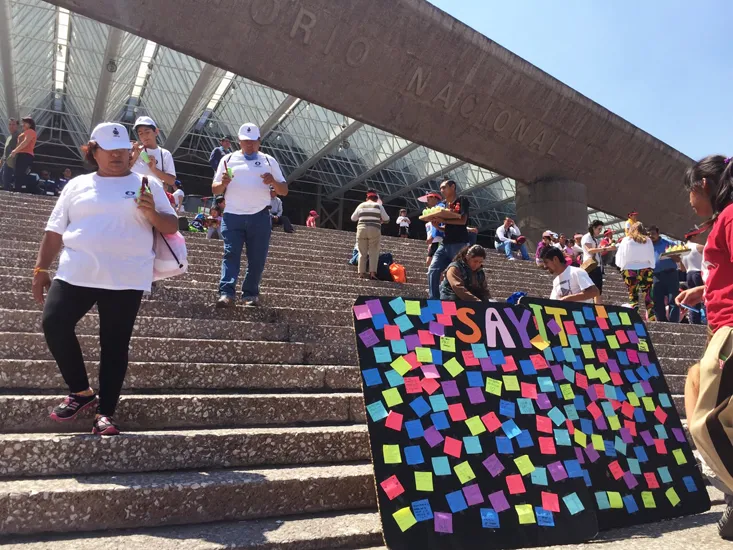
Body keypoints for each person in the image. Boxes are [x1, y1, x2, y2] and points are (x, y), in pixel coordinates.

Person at [31, 122, 178, 436]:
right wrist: (41, 269)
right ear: (92, 151)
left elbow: (171, 226)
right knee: (54, 322)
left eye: (124, 151)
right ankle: (81, 392)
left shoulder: (146, 183)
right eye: (110, 151)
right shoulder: (77, 185)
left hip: (126, 277)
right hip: (76, 272)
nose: (118, 157)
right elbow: (54, 230)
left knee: (114, 345)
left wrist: (152, 213)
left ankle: (106, 413)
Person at [677, 155, 733, 540]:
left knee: (706, 422)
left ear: (703, 184)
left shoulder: (729, 217)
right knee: (696, 382)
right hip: (721, 330)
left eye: (690, 191)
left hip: (731, 332)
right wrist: (705, 289)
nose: (690, 202)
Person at [213, 123, 287, 308]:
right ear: (239, 141)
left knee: (257, 258)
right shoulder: (228, 159)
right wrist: (223, 183)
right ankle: (226, 293)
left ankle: (250, 294)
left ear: (259, 142)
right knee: (231, 254)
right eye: (245, 142)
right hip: (233, 215)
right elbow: (214, 188)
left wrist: (273, 182)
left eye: (253, 142)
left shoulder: (269, 161)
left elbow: (284, 190)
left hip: (259, 216)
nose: (249, 145)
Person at [427, 179, 469, 299]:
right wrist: (437, 226)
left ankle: (461, 299)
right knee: (433, 269)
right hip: (445, 243)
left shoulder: (462, 200)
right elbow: (448, 227)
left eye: (444, 187)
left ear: (453, 187)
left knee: (460, 273)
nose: (442, 190)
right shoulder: (444, 204)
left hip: (459, 244)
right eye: (440, 188)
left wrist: (443, 221)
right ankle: (433, 299)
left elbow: (463, 221)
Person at [615, 222, 656, 321]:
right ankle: (651, 317)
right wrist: (651, 266)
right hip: (646, 268)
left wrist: (621, 267)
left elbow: (620, 255)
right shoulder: (648, 240)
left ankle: (635, 318)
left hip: (629, 268)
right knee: (648, 294)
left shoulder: (626, 240)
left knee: (633, 294)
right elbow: (651, 255)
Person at [350, 189, 389, 279]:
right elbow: (386, 219)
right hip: (374, 229)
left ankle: (361, 273)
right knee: (373, 252)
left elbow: (353, 218)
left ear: (367, 198)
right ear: (376, 198)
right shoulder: (378, 206)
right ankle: (372, 273)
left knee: (362, 252)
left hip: (361, 229)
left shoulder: (361, 205)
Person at [129, 116, 176, 188]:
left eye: (147, 132)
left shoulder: (164, 154)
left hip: (154, 195)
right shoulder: (133, 150)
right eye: (140, 134)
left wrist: (154, 169)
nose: (144, 136)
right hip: (132, 192)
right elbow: (121, 170)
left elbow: (171, 181)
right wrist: (134, 156)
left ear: (156, 132)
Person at [648, 224, 680, 323]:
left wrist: (670, 255)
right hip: (656, 275)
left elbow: (678, 259)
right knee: (657, 300)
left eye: (653, 233)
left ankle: (674, 322)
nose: (651, 236)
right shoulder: (647, 246)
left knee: (673, 299)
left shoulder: (669, 243)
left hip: (671, 274)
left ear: (658, 233)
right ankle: (661, 321)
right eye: (648, 234)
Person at [676, 229, 705, 325]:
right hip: (699, 273)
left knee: (692, 299)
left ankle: (694, 322)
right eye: (698, 236)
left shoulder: (682, 250)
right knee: (705, 297)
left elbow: (682, 268)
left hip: (689, 274)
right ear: (693, 236)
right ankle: (709, 320)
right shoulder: (699, 247)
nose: (700, 238)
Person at [582, 220, 609, 304]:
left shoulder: (595, 239)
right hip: (590, 266)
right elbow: (590, 250)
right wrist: (604, 248)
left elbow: (597, 251)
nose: (600, 231)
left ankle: (598, 309)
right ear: (593, 228)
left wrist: (605, 248)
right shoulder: (587, 237)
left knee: (598, 291)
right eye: (599, 229)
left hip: (597, 266)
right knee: (591, 289)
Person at [10, 116, 37, 194]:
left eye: (26, 123)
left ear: (30, 124)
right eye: (23, 122)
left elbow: (26, 142)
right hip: (21, 154)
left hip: (26, 155)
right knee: (18, 173)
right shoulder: (25, 132)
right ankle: (18, 189)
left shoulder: (31, 131)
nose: (23, 124)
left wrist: (15, 150)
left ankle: (19, 190)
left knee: (20, 173)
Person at [423, 192, 444, 267]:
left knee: (435, 259)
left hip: (439, 238)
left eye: (429, 198)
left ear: (435, 198)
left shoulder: (440, 207)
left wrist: (432, 236)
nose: (427, 201)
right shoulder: (437, 207)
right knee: (431, 259)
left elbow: (437, 223)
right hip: (436, 239)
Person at [1, 118, 19, 191]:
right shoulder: (9, 137)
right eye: (10, 124)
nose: (11, 126)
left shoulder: (19, 136)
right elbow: (6, 150)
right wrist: (1, 160)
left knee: (6, 181)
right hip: (6, 162)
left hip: (11, 163)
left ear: (17, 126)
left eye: (13, 124)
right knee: (3, 180)